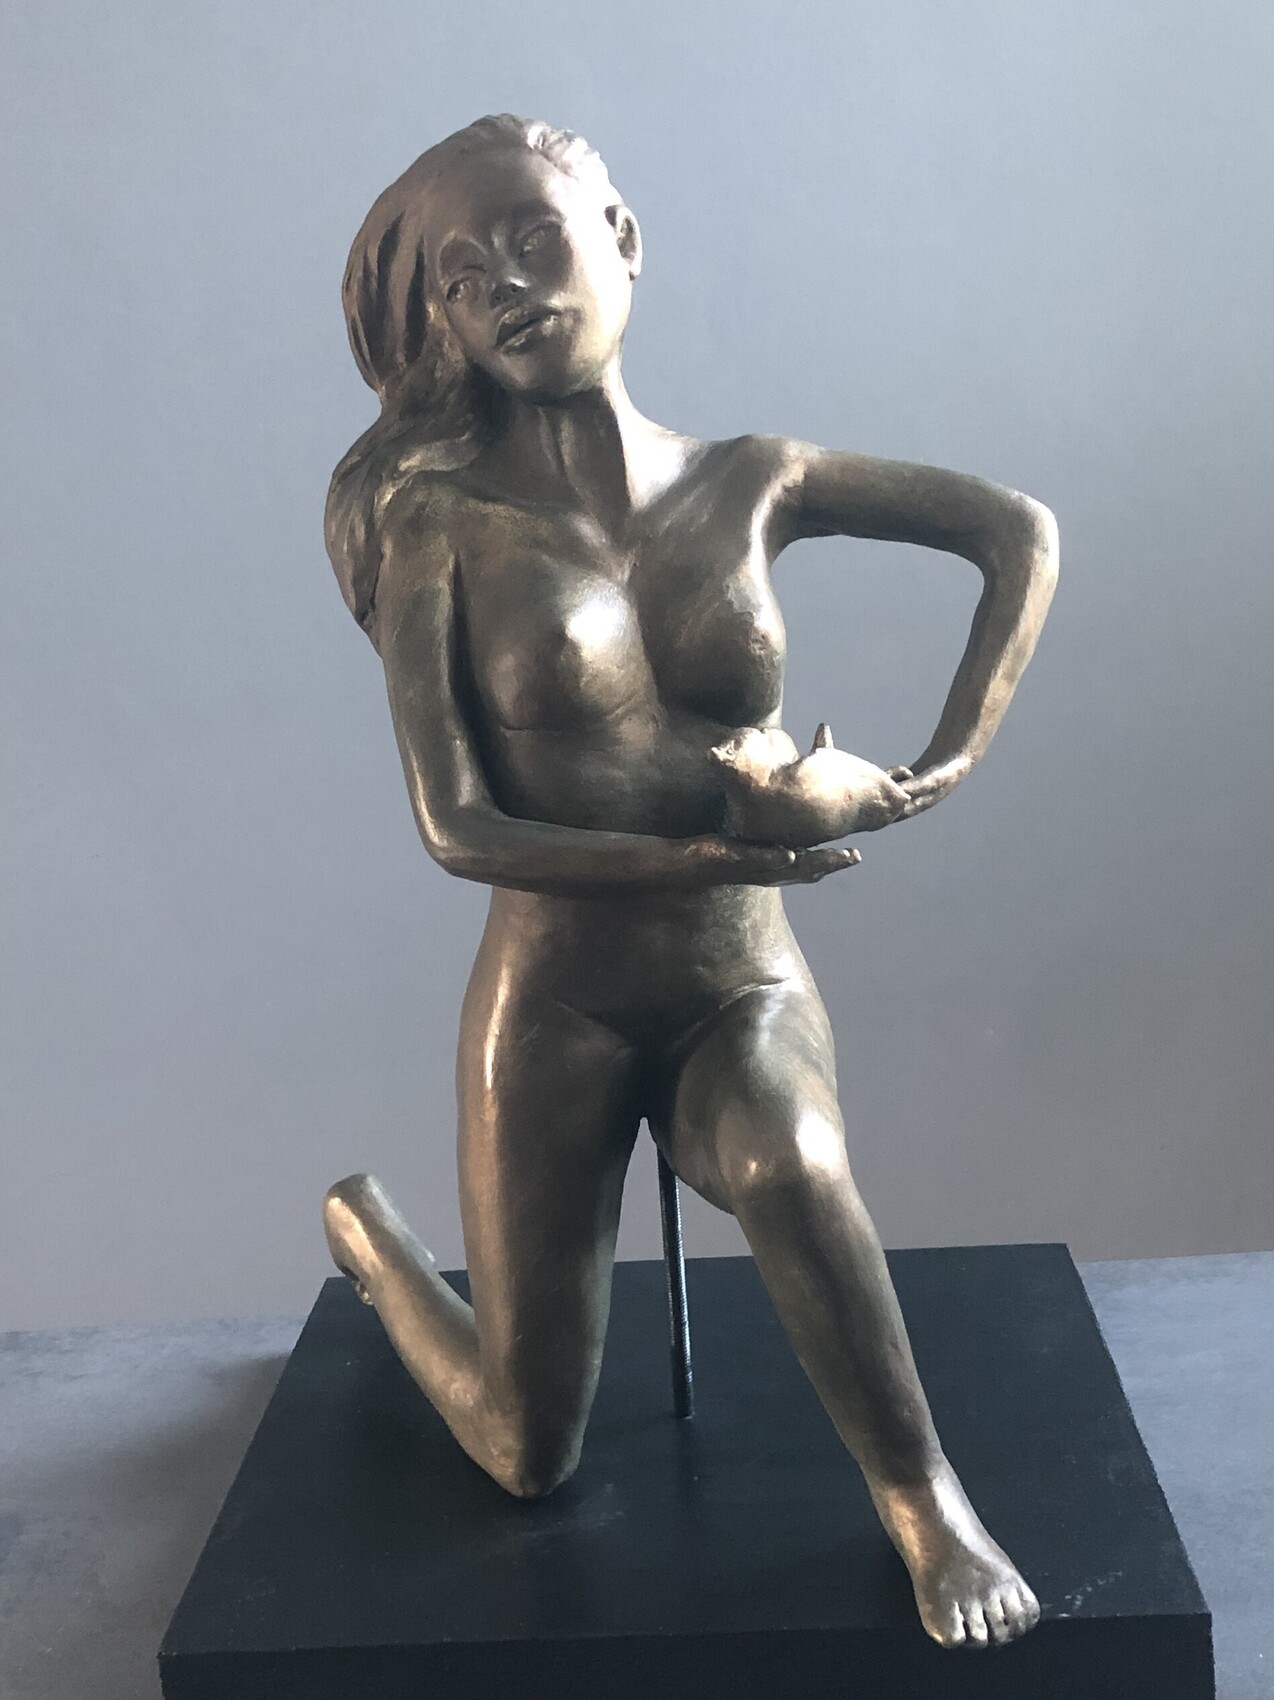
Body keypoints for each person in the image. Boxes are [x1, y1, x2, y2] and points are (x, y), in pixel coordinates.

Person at [321, 114, 1058, 1651]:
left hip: (739, 980)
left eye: (535, 237)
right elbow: (457, 826)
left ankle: (925, 1502)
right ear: (444, 326)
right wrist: (716, 854)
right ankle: (378, 1248)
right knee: (528, 1451)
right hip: (556, 1005)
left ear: (622, 238)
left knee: (792, 1164)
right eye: (461, 277)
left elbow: (1014, 532)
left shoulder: (753, 477)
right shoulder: (438, 528)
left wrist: (937, 766)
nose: (506, 285)